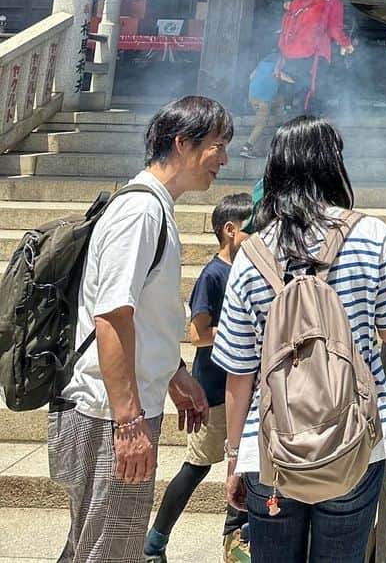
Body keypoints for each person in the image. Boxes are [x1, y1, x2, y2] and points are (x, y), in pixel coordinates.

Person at [213, 116, 386, 562]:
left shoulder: (251, 254)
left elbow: (238, 372)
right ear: (333, 166)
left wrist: (236, 455)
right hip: (356, 444)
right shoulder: (370, 236)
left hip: (271, 450)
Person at [49, 96, 230, 563]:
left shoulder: (156, 208)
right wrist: (128, 422)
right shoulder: (141, 212)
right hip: (108, 412)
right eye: (217, 145)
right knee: (108, 551)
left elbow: (143, 317)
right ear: (182, 143)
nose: (224, 159)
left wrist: (174, 375)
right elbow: (112, 317)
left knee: (96, 547)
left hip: (117, 407)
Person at [144, 193, 253, 563]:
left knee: (247, 468)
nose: (258, 237)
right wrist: (240, 330)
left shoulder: (247, 269)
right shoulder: (213, 274)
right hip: (213, 388)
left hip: (244, 386)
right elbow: (197, 333)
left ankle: (235, 539)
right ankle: (155, 542)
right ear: (230, 230)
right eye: (251, 230)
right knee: (196, 467)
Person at [275, 0, 354, 115]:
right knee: (315, 96)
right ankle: (310, 131)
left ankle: (296, 128)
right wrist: (347, 44)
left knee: (300, 94)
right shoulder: (332, 0)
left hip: (290, 56)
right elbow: (334, 29)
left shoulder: (298, 2)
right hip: (315, 55)